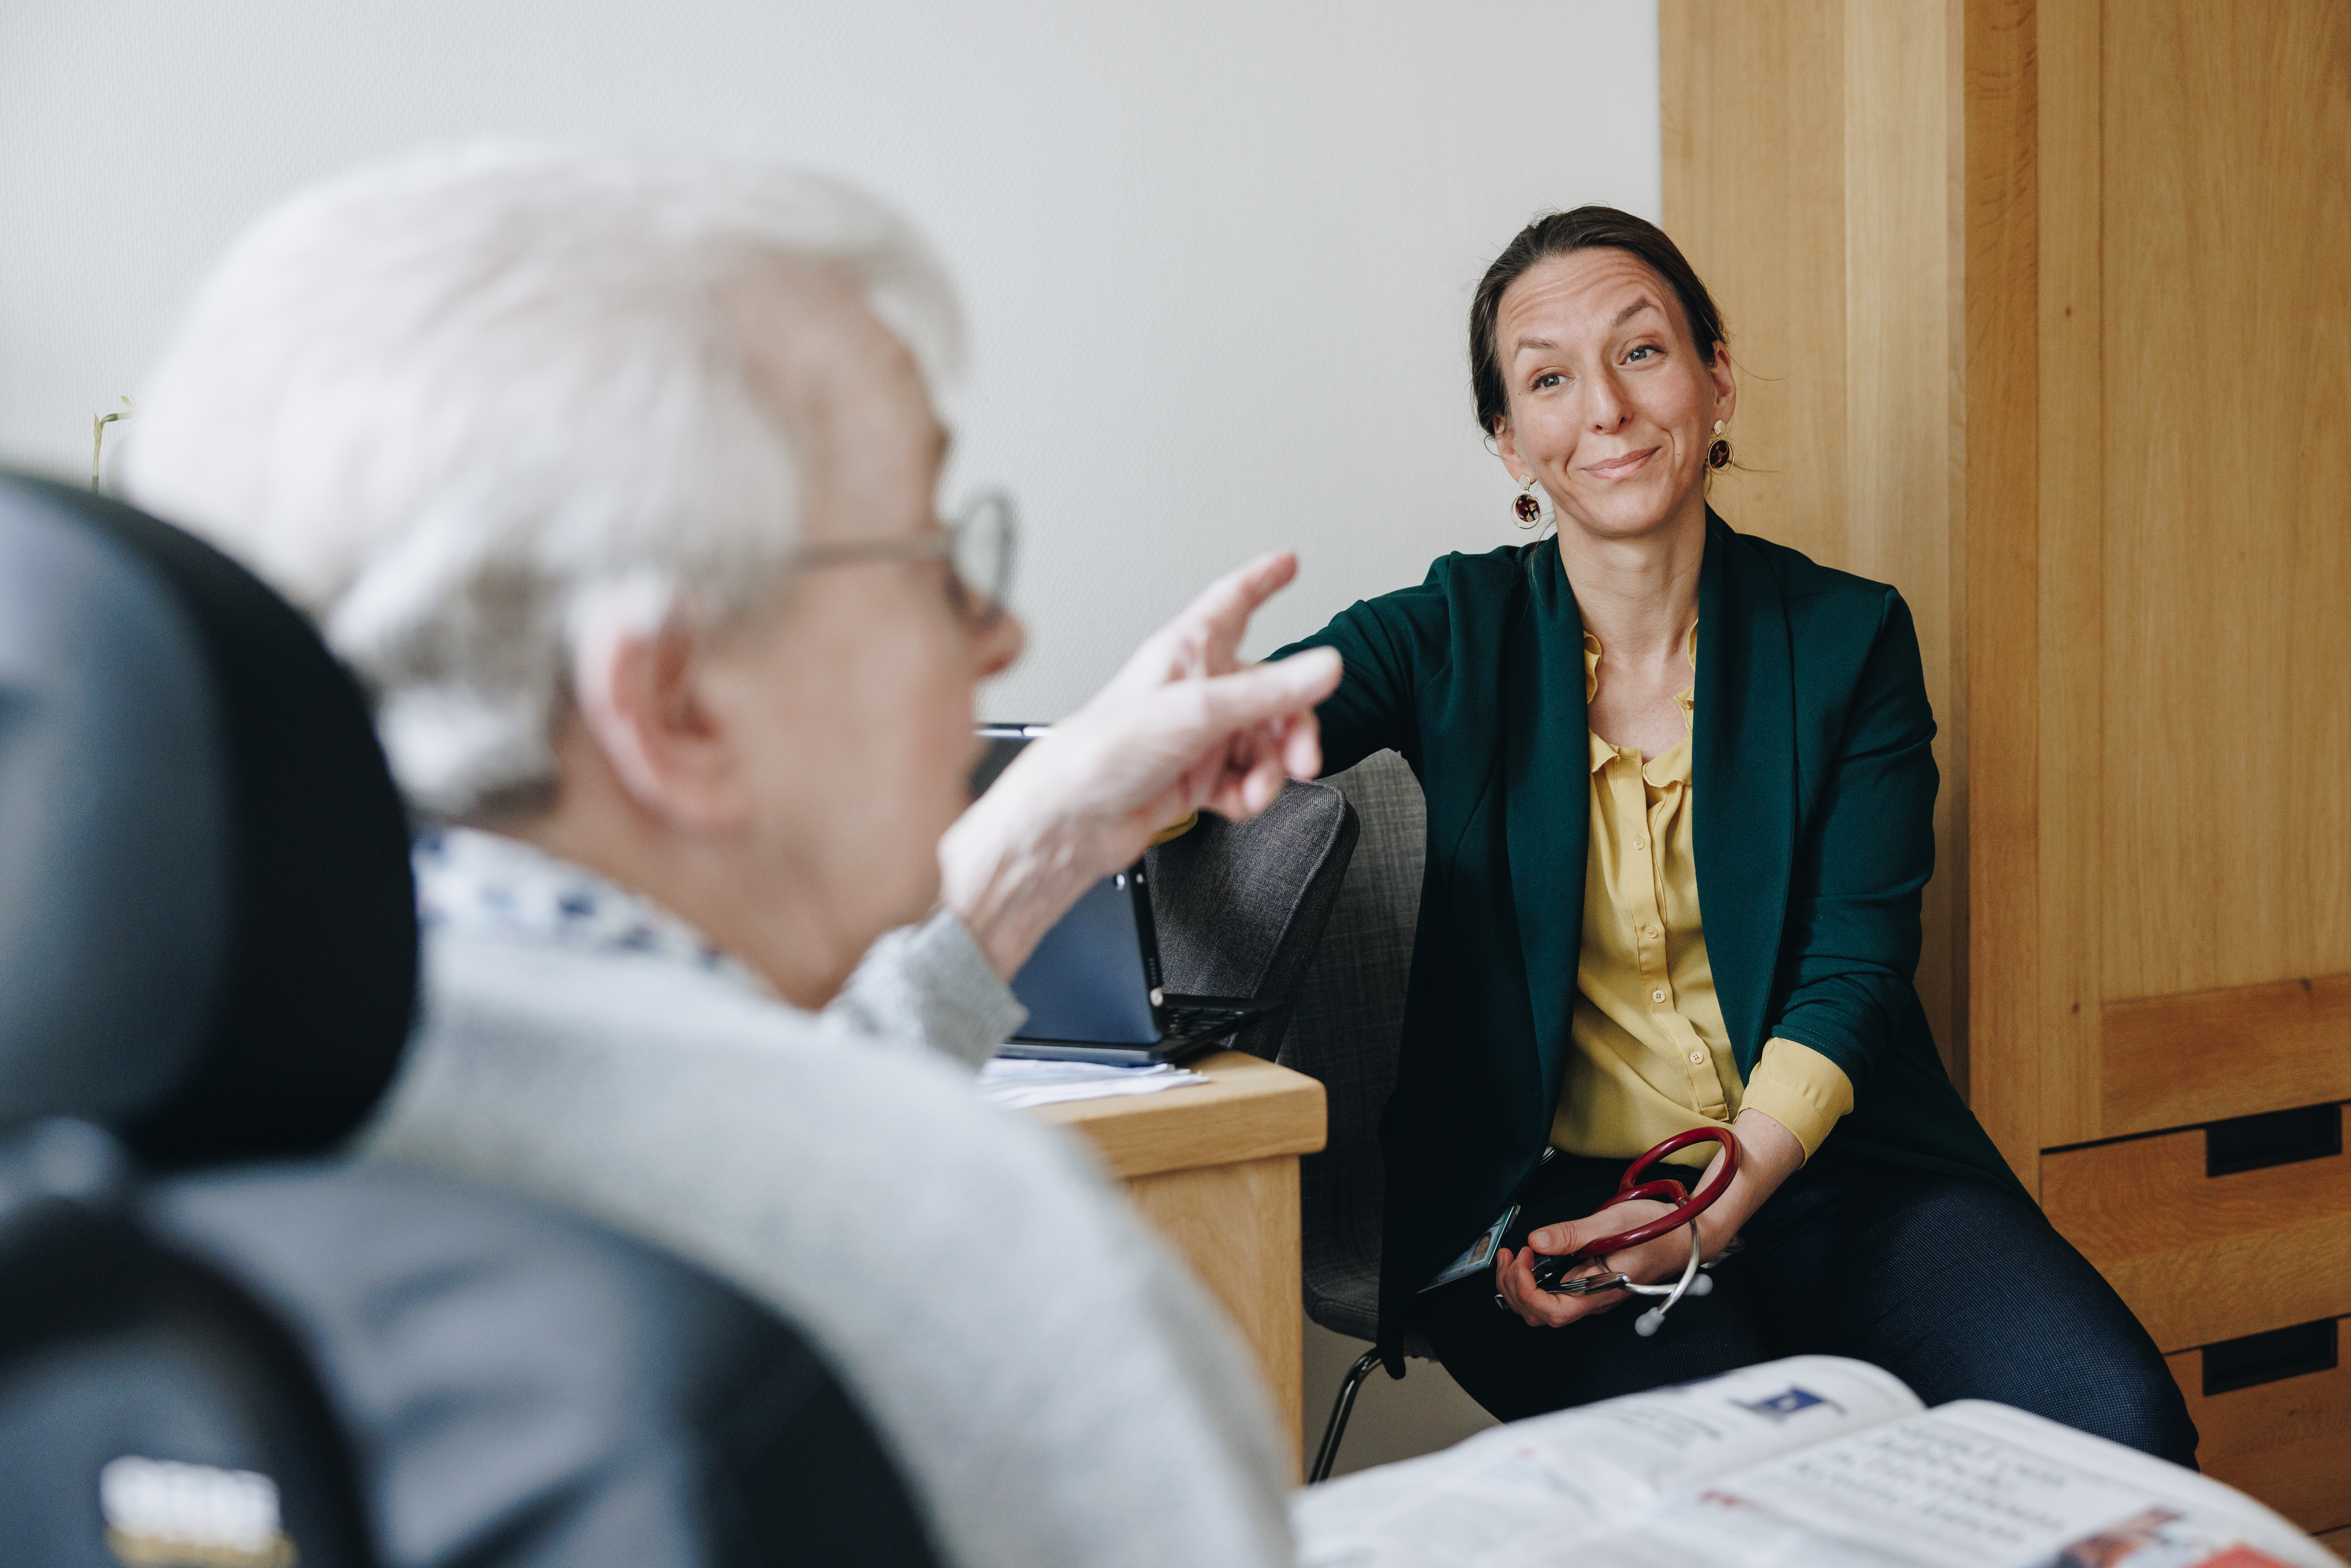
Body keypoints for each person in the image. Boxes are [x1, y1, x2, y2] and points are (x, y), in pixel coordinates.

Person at [123, 145, 1345, 1568]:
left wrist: (1055, 822)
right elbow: (795, 1168)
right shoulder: (979, 1267)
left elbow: (710, 1112)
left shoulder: (153, 1116)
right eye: (932, 557)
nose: (1000, 634)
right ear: (677, 701)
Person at [1272, 206, 2198, 1464]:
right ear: (1510, 442)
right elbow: (1221, 742)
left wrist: (1716, 1207)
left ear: (1717, 375)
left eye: (1641, 351)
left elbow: (1854, 967)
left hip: (1829, 1163)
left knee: (2116, 1419)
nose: (1607, 408)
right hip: (1559, 1191)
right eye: (1549, 379)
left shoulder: (1851, 638)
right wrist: (1133, 755)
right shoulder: (1447, 631)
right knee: (1756, 1470)